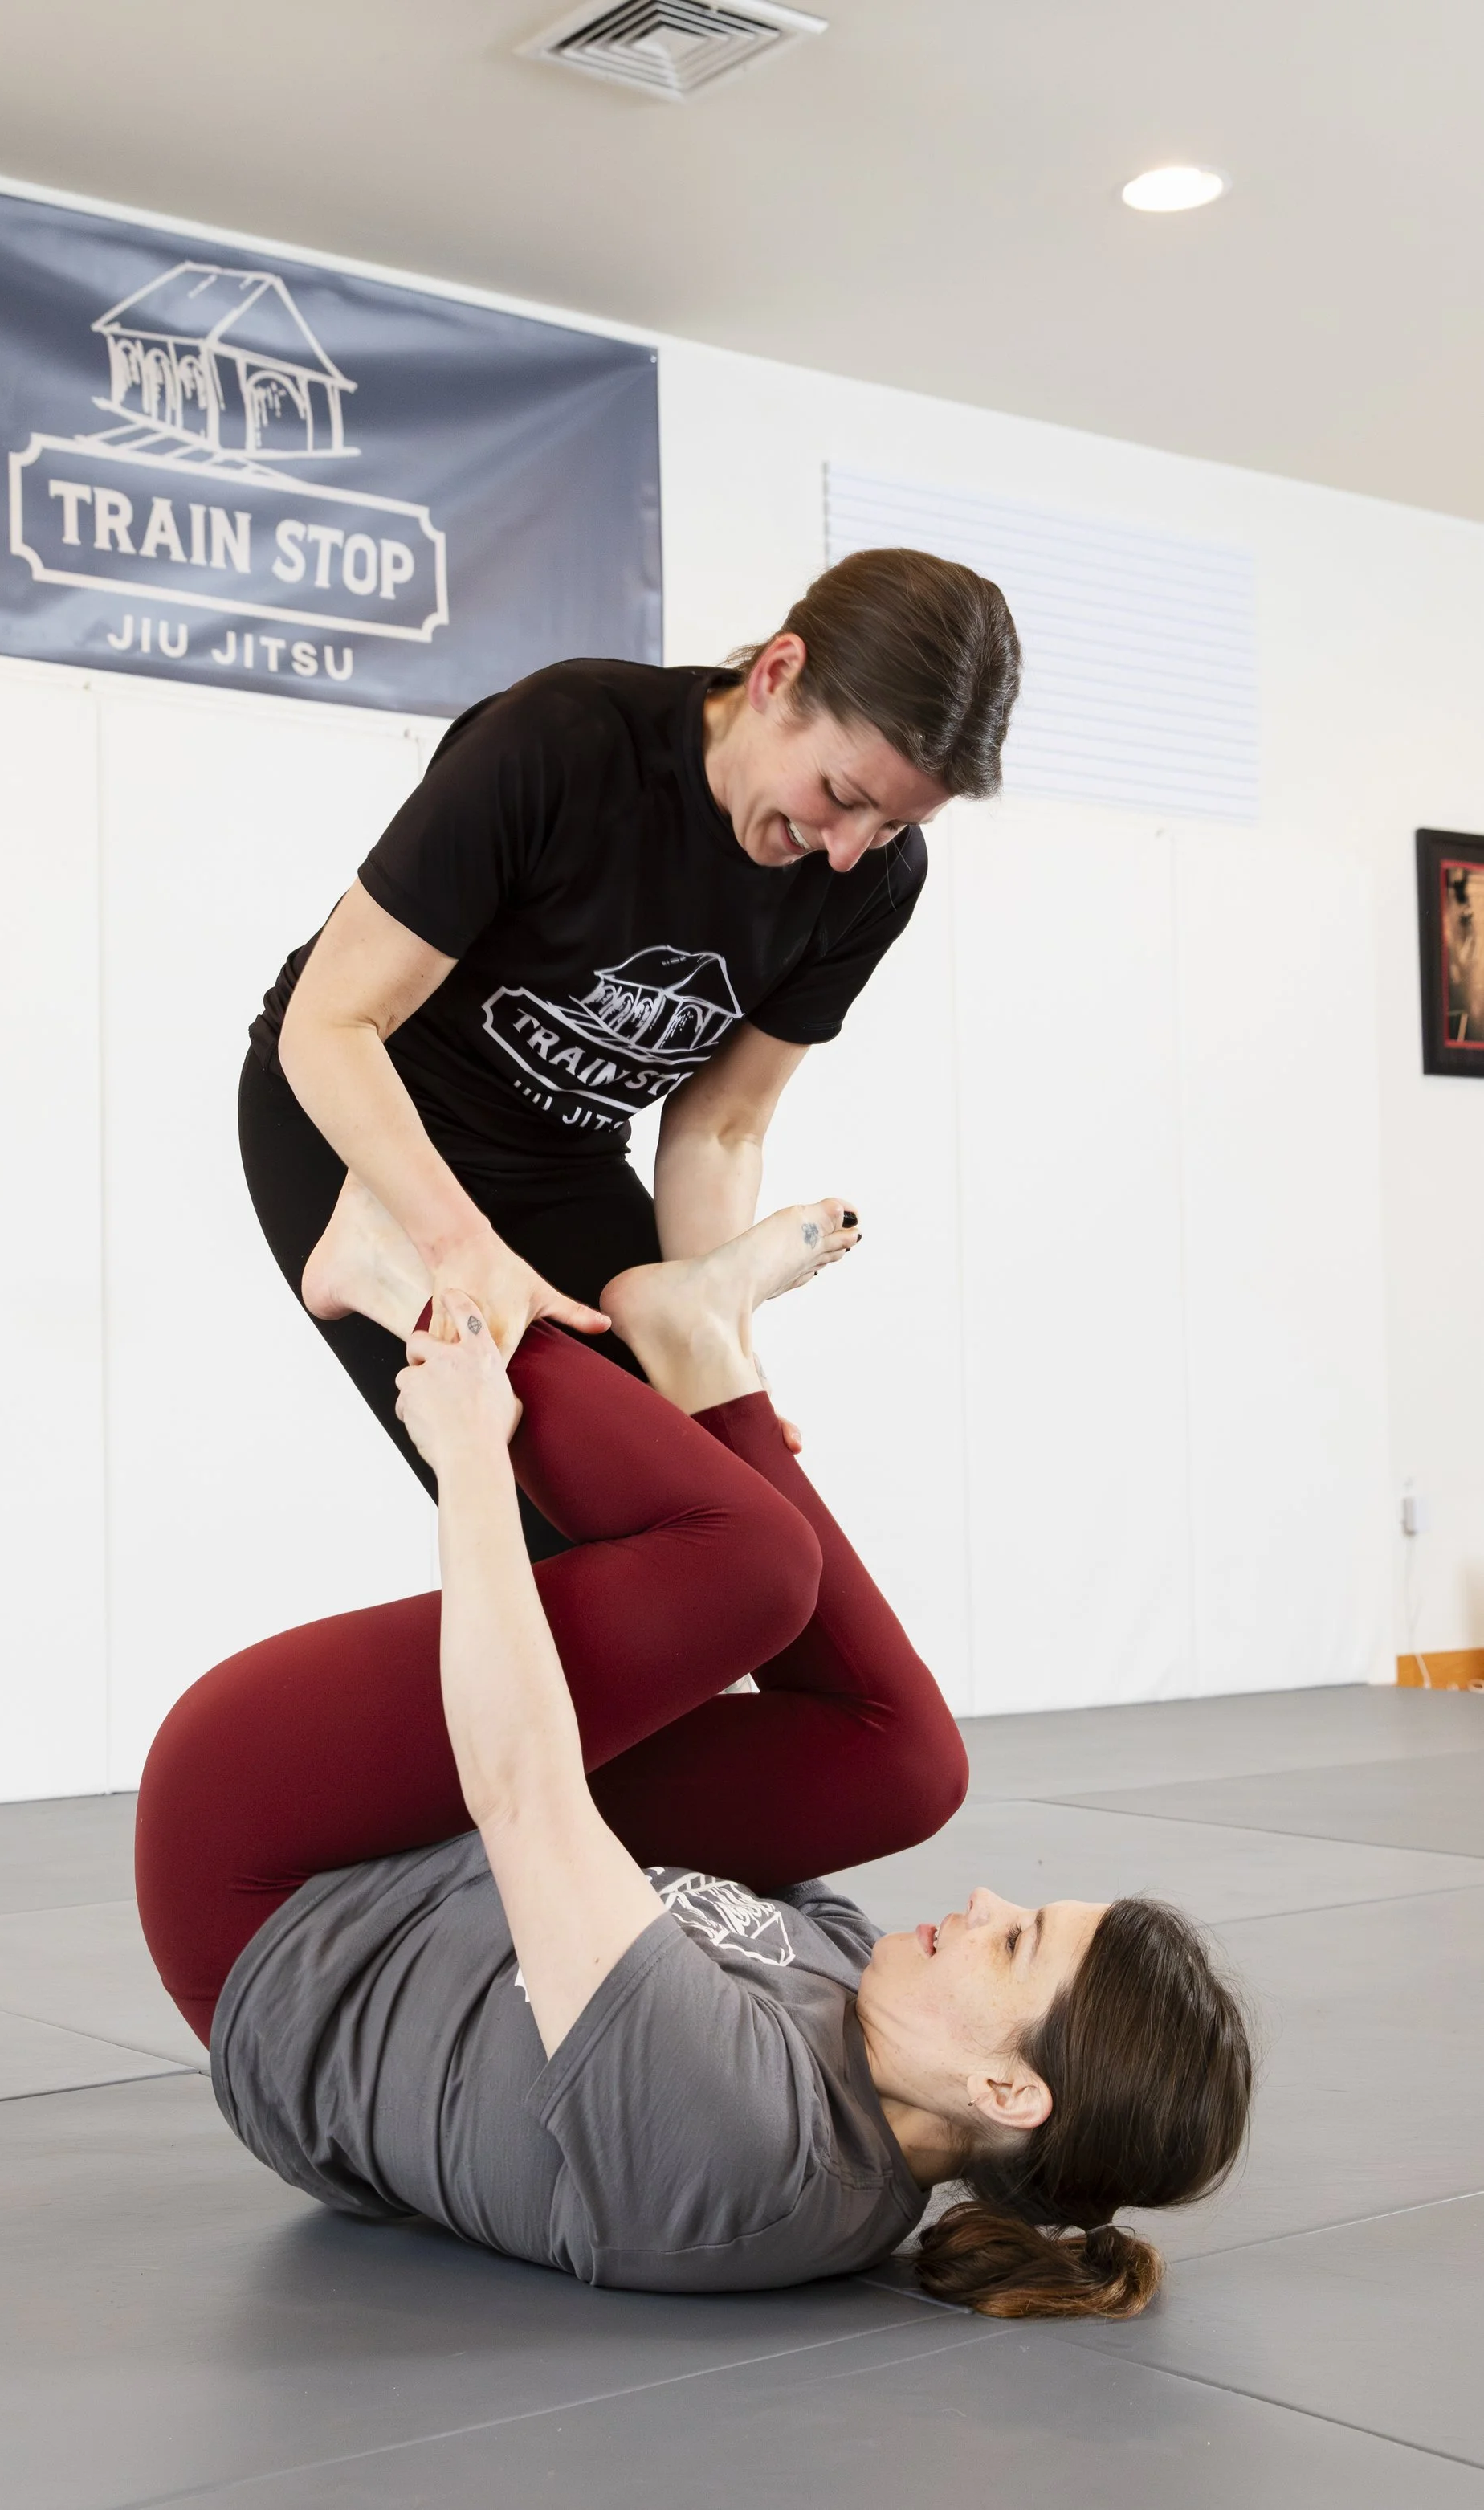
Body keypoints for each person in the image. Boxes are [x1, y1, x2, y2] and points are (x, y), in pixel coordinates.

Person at [136, 1193, 1252, 2318]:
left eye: (1015, 1941)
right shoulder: (880, 2020)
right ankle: (704, 1355)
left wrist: (471, 1445)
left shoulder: (743, 2134)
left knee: (749, 1567)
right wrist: (707, 1464)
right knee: (909, 1765)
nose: (981, 1897)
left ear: (1008, 2089)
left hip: (273, 1897)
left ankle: (407, 1280)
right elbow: (765, 1794)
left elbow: (524, 1791)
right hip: (436, 1856)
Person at [240, 547, 1021, 1552]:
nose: (844, 848)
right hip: (357, 1125)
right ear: (778, 674)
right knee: (579, 1519)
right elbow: (332, 1020)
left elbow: (722, 1124)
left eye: (892, 824)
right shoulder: (562, 743)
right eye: (839, 791)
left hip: (559, 1158)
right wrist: (460, 1248)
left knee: (707, 1520)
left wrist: (714, 1338)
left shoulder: (873, 880)